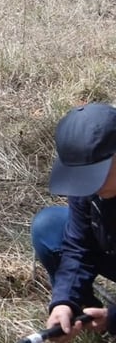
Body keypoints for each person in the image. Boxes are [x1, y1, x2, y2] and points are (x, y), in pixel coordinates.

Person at [30, 103, 116, 338]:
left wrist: (114, 317)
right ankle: (85, 315)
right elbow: (79, 246)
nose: (91, 186)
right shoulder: (88, 187)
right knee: (49, 226)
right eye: (83, 176)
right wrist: (64, 301)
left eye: (97, 174)